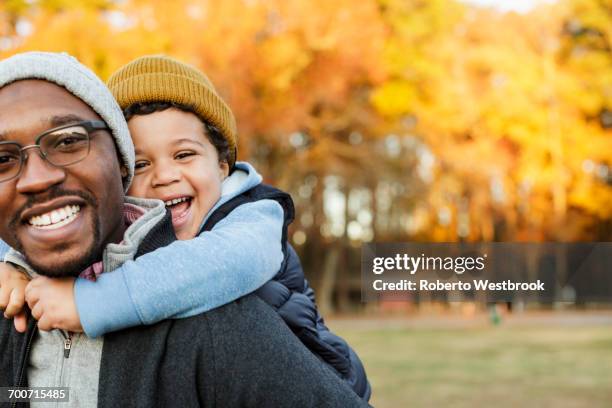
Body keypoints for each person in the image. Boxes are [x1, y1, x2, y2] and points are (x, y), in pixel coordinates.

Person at [0, 51, 368, 407]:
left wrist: (89, 303)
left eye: (184, 155)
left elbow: (220, 265)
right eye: (142, 164)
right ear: (121, 170)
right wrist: (17, 267)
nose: (165, 176)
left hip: (322, 373)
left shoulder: (254, 218)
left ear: (224, 165)